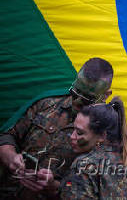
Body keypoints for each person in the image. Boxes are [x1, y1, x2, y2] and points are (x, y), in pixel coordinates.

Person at [0, 58, 113, 199]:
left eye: (87, 98)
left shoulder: (105, 135)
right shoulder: (47, 104)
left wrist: (53, 186)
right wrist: (10, 157)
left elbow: (94, 189)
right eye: (75, 92)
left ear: (106, 95)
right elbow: (8, 135)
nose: (77, 102)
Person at [58, 96, 127, 199]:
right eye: (73, 130)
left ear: (102, 136)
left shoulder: (84, 166)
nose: (72, 136)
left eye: (79, 132)